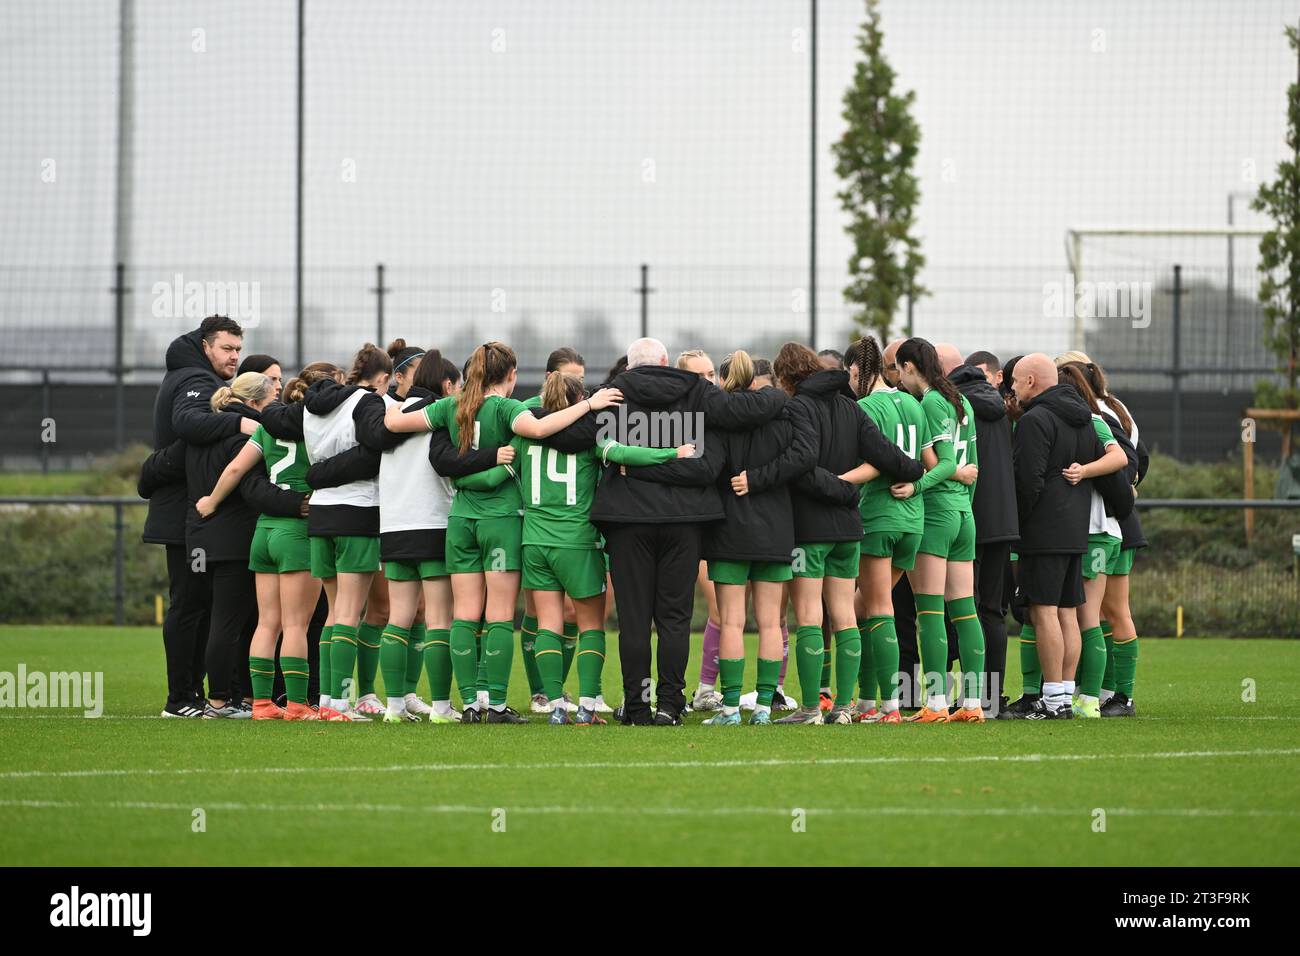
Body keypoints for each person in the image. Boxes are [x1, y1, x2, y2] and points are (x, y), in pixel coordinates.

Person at [537, 336, 787, 725]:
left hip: (626, 522)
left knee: (634, 618)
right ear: (667, 361)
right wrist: (780, 395)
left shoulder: (611, 395)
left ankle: (636, 707)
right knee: (674, 618)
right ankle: (670, 705)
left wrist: (633, 466)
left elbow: (565, 436)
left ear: (631, 366)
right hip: (684, 522)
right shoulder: (699, 392)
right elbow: (709, 462)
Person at [383, 342, 622, 723]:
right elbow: (542, 427)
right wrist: (589, 405)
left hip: (460, 519)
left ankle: (468, 706)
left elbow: (393, 422)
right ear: (511, 376)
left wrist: (393, 399)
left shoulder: (453, 405)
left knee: (463, 615)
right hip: (501, 519)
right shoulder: (509, 408)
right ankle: (495, 704)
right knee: (496, 614)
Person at [454, 372, 689, 724]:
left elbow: (491, 477)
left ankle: (556, 706)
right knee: (590, 625)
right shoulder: (588, 436)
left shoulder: (523, 438)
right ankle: (589, 706)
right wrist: (673, 451)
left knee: (548, 624)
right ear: (581, 400)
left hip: (534, 541)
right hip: (577, 541)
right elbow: (624, 452)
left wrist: (458, 477)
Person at [771, 341, 924, 725]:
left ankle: (809, 709)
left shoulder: (795, 407)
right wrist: (913, 472)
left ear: (786, 378)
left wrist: (836, 487)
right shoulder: (850, 408)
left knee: (807, 615)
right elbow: (896, 460)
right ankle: (842, 708)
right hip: (850, 527)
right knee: (844, 616)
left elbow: (800, 464)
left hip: (810, 527)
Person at [194, 365, 335, 720]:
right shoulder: (318, 428)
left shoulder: (267, 427)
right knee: (297, 625)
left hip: (264, 532)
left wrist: (210, 501)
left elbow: (236, 470)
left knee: (267, 623)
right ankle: (299, 706)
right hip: (297, 531)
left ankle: (260, 704)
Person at [141, 315, 256, 718]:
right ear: (206, 346)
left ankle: (196, 696)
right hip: (182, 515)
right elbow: (188, 424)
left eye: (238, 349)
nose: (234, 356)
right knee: (189, 605)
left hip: (186, 513)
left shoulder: (194, 375)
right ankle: (180, 699)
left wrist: (151, 471)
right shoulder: (196, 379)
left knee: (199, 605)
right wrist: (244, 420)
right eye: (227, 348)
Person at [700, 350, 816, 726]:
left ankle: (731, 708)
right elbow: (803, 458)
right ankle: (764, 707)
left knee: (732, 621)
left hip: (728, 529)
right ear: (755, 379)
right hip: (775, 529)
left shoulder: (715, 421)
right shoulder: (783, 413)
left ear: (724, 380)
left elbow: (709, 469)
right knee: (771, 622)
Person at [1008, 353, 1104, 720]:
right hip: (1075, 528)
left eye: (1016, 381)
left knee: (1043, 610)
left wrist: (1020, 523)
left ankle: (1051, 701)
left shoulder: (1035, 420)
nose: (1013, 389)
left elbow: (1027, 482)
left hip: (1044, 530)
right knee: (1067, 612)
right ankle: (1063, 694)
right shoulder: (1084, 419)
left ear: (1031, 380)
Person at [892, 339, 984, 723]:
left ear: (911, 367)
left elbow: (946, 464)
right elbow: (972, 468)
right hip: (963, 514)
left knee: (929, 611)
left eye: (898, 369)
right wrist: (963, 504)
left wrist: (917, 487)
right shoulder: (961, 402)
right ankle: (975, 703)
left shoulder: (929, 401)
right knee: (964, 610)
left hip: (936, 514)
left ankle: (936, 703)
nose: (897, 377)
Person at [845, 337, 928, 723]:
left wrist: (834, 481)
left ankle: (890, 707)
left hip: (880, 514)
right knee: (863, 606)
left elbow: (873, 464)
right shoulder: (912, 402)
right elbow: (929, 461)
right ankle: (865, 702)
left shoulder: (865, 407)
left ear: (858, 371)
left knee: (878, 608)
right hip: (914, 518)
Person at [1055, 359, 1131, 718]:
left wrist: (1083, 471)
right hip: (1103, 533)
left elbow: (1118, 458)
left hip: (1098, 533)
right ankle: (1087, 696)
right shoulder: (1094, 419)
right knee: (1091, 615)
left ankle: (1088, 700)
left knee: (1087, 616)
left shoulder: (1092, 421)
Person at [946, 346, 1019, 715]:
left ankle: (959, 696)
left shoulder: (956, 408)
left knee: (960, 608)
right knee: (993, 611)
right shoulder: (1004, 410)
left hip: (966, 518)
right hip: (1003, 522)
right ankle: (991, 699)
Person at [519, 347, 592, 715]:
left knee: (556, 618)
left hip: (536, 534)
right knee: (571, 620)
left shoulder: (524, 418)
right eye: (574, 378)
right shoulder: (585, 422)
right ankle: (557, 696)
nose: (581, 384)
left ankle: (556, 699)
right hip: (572, 534)